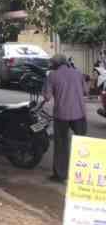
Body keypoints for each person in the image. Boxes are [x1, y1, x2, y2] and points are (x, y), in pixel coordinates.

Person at [43, 53, 88, 183]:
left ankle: (60, 175)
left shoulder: (52, 75)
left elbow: (47, 97)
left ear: (55, 65)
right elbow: (86, 91)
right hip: (79, 113)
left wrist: (45, 86)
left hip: (61, 115)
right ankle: (83, 174)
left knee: (61, 144)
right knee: (82, 145)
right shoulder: (78, 73)